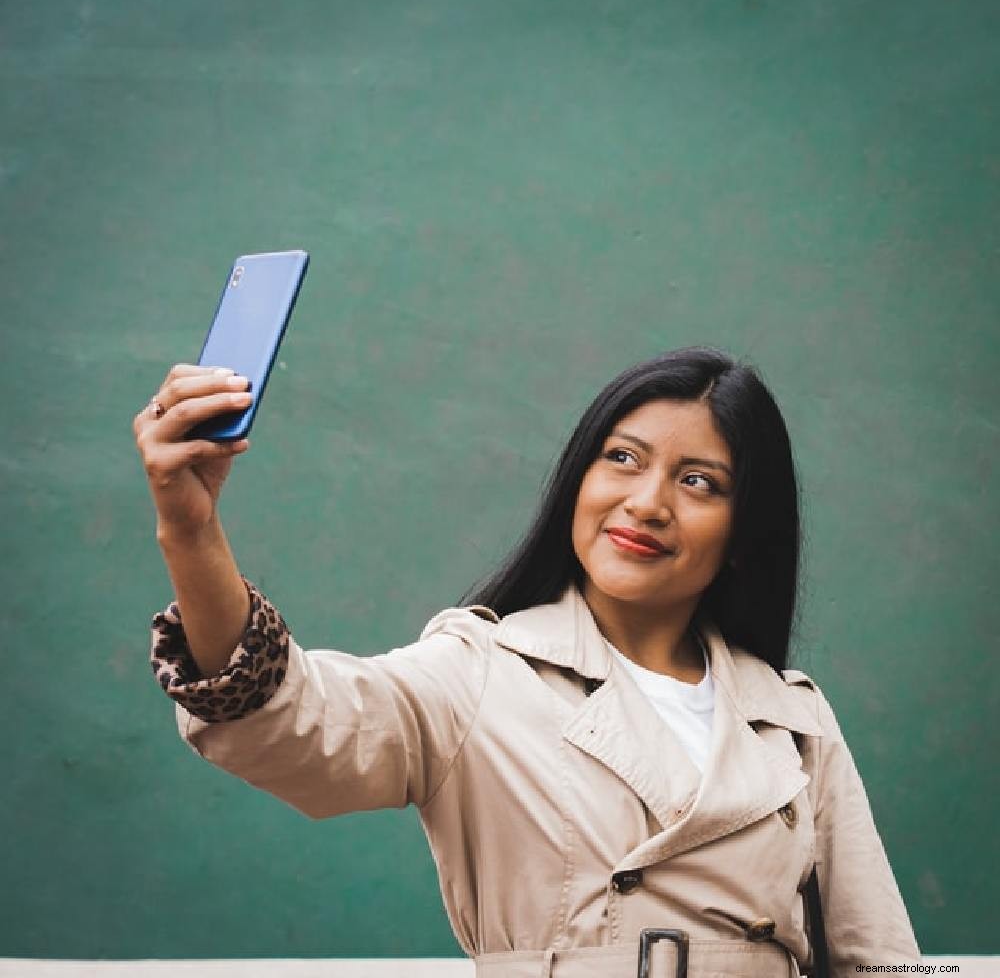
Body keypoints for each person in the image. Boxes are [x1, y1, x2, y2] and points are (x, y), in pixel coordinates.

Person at [134, 347, 920, 978]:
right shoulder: (480, 670)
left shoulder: (792, 716)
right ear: (577, 477)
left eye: (697, 482)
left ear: (745, 533)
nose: (647, 502)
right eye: (622, 457)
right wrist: (190, 529)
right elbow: (297, 722)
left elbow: (882, 959)